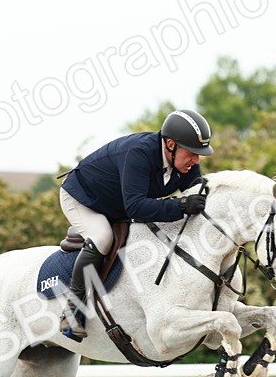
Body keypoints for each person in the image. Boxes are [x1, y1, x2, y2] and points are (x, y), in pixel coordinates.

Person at [56, 109, 214, 339]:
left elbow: (197, 194)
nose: (196, 160)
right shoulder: (139, 153)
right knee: (102, 237)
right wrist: (180, 205)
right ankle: (72, 311)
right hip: (84, 199)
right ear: (170, 144)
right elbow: (136, 207)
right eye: (192, 153)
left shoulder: (185, 163)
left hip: (117, 202)